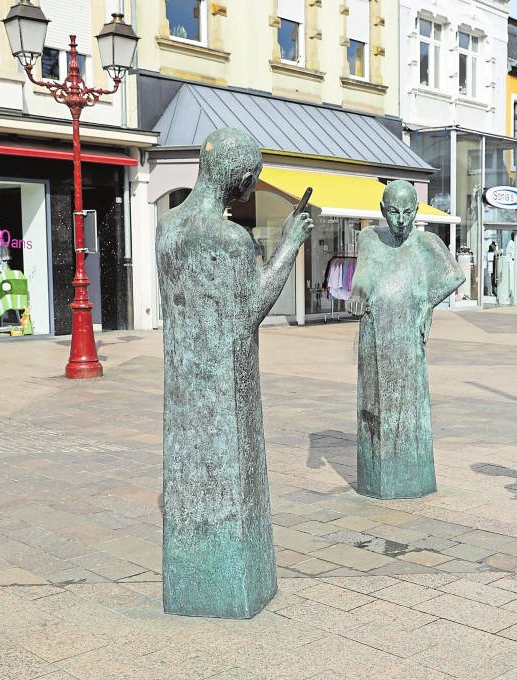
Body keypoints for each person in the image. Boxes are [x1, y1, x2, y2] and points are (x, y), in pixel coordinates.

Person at [156, 127, 313, 618]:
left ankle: (189, 588)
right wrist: (288, 246)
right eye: (254, 178)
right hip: (228, 384)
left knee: (189, 472)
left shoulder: (167, 228)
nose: (253, 186)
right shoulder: (230, 238)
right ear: (240, 177)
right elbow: (249, 311)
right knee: (234, 473)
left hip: (183, 385)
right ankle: (231, 587)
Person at [348, 181, 466, 499]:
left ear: (416, 211)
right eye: (394, 212)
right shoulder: (369, 238)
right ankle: (377, 477)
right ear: (382, 210)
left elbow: (455, 275)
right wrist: (357, 292)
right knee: (373, 402)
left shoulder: (426, 241)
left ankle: (410, 477)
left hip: (406, 332)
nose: (401, 220)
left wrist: (428, 303)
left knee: (406, 403)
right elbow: (364, 273)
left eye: (408, 212)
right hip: (375, 330)